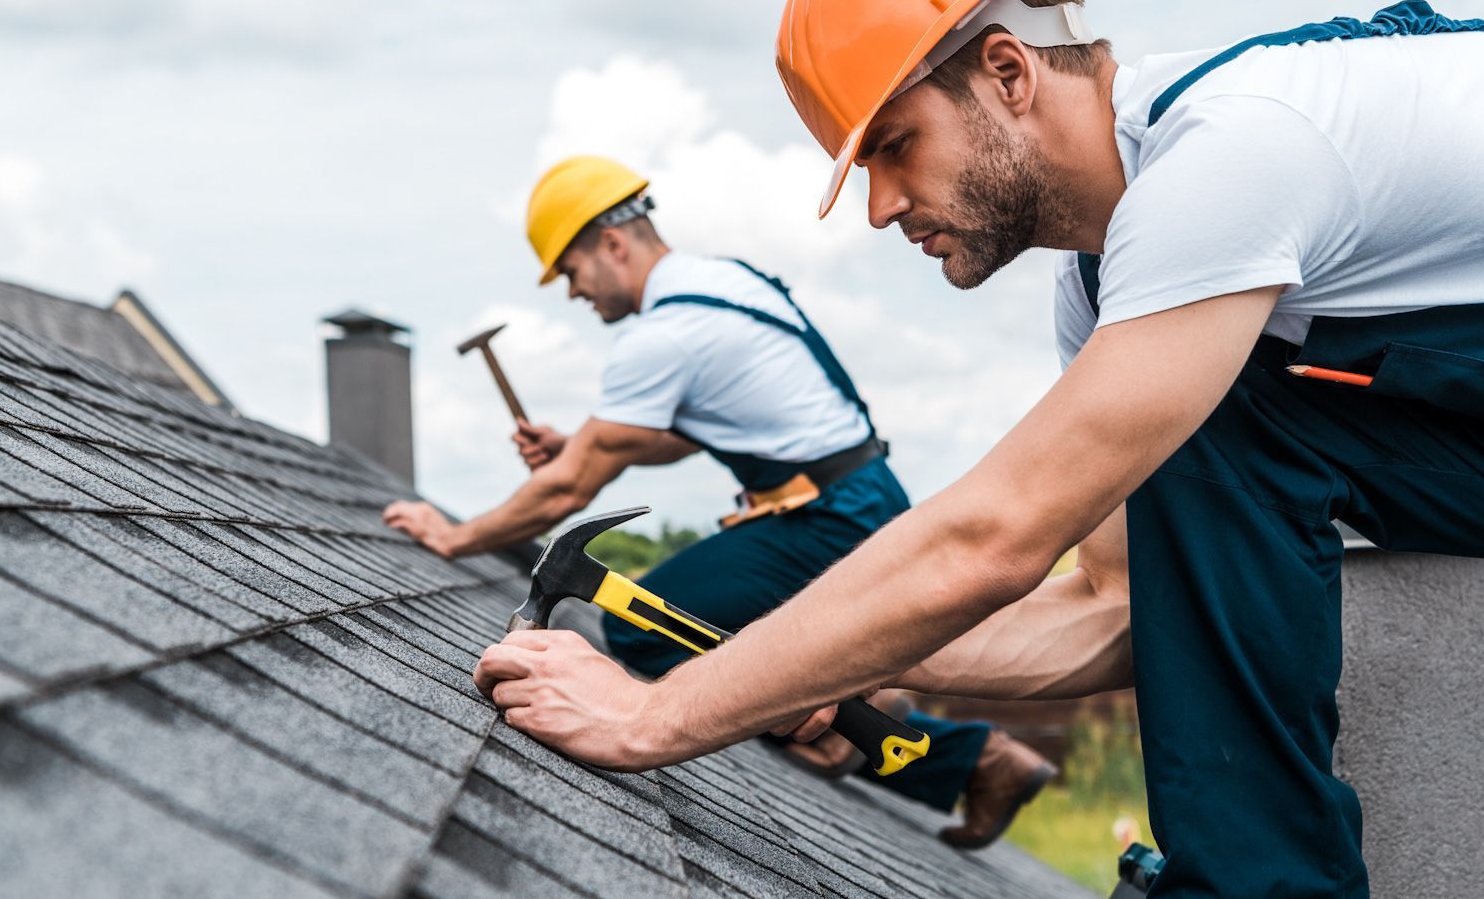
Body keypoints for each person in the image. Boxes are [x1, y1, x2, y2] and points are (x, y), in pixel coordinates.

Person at [472, 0, 1484, 899]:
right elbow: (1114, 609)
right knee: (1223, 419)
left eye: (895, 146)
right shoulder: (1124, 293)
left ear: (1009, 74)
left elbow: (993, 539)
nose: (878, 209)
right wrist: (827, 667)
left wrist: (662, 713)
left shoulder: (1230, 161)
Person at [384, 154, 1056, 848]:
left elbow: (569, 488)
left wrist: (454, 534)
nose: (574, 294)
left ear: (612, 244)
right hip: (854, 498)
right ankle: (911, 733)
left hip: (824, 518)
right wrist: (579, 443)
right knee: (733, 642)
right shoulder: (723, 283)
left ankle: (888, 730)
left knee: (643, 630)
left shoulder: (663, 333)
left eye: (572, 272)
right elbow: (677, 437)